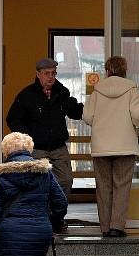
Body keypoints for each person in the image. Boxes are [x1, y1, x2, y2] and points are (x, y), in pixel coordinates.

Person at [83, 56, 139, 237]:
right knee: (121, 186)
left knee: (103, 187)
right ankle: (117, 226)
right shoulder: (132, 90)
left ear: (107, 71)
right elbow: (138, 116)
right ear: (125, 70)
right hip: (125, 146)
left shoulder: (97, 92)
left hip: (101, 147)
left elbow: (87, 117)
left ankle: (105, 227)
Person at [6, 58, 83, 202]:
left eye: (53, 73)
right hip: (37, 148)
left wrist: (93, 106)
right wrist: (27, 137)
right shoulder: (27, 95)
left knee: (66, 181)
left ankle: (57, 215)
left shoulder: (62, 93)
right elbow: (13, 119)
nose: (50, 77)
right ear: (38, 74)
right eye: (47, 73)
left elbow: (75, 112)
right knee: (37, 184)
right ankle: (43, 216)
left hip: (58, 148)